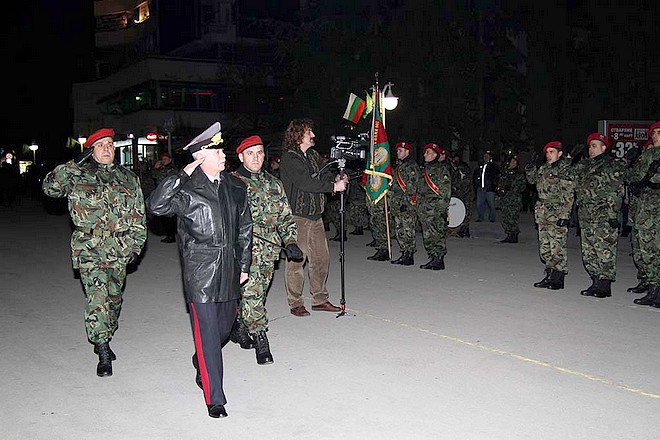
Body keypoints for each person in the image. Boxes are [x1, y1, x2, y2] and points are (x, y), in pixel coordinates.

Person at [146, 122, 252, 418]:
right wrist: (182, 174)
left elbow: (245, 228)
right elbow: (156, 206)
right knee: (208, 336)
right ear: (201, 157)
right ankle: (215, 398)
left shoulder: (235, 186)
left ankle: (201, 358)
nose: (223, 155)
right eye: (217, 152)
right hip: (201, 272)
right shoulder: (186, 189)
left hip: (229, 268)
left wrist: (244, 264)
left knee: (223, 329)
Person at [42, 128, 147, 377]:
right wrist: (73, 164)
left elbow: (139, 214)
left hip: (119, 248)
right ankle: (102, 349)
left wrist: (136, 246)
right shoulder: (77, 175)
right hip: (88, 247)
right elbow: (50, 188)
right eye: (100, 145)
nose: (106, 149)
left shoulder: (128, 178)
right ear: (91, 151)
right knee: (97, 299)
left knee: (114, 299)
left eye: (110, 144)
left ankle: (106, 332)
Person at [230, 135, 303, 364]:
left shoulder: (274, 184)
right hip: (243, 251)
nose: (256, 158)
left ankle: (240, 326)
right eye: (250, 153)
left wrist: (291, 242)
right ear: (241, 157)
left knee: (258, 293)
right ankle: (260, 337)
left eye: (260, 153)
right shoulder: (231, 183)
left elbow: (285, 217)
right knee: (252, 293)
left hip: (269, 252)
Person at [279, 118, 348, 316]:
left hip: (316, 216)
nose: (313, 135)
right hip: (298, 216)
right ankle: (295, 302)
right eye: (309, 132)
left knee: (320, 258)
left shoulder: (313, 155)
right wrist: (333, 187)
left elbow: (323, 175)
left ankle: (319, 299)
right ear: (299, 134)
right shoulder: (290, 158)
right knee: (296, 260)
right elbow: (305, 182)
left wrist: (336, 178)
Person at [572, 133, 626, 298]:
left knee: (604, 249)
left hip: (603, 215)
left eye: (594, 146)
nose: (591, 149)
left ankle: (604, 285)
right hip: (586, 215)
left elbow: (616, 191)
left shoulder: (612, 165)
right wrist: (570, 158)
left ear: (604, 147)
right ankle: (595, 281)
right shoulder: (584, 165)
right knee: (589, 250)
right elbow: (569, 175)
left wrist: (613, 215)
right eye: (590, 146)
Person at [525, 141, 574, 290]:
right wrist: (530, 167)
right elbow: (532, 180)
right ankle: (549, 273)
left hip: (557, 211)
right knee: (545, 246)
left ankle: (558, 277)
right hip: (543, 211)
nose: (548, 155)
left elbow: (568, 194)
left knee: (557, 245)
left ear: (560, 153)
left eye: (552, 152)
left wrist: (565, 215)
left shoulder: (564, 169)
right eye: (547, 152)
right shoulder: (544, 168)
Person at [628, 121, 660, 307]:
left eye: (658, 132)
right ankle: (653, 288)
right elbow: (636, 177)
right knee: (647, 248)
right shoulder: (647, 154)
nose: (655, 135)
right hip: (645, 206)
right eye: (653, 133)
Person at [417, 143, 452, 270]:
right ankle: (433, 257)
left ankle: (439, 259)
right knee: (427, 236)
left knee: (437, 235)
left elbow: (445, 192)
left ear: (435, 155)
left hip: (435, 210)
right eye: (425, 152)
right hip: (424, 210)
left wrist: (440, 209)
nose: (424, 154)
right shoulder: (424, 170)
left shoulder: (441, 170)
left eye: (428, 152)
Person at [389, 141, 419, 265]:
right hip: (397, 203)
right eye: (397, 150)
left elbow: (412, 187)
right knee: (399, 229)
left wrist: (406, 203)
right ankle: (404, 252)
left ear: (407, 152)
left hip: (406, 204)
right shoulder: (399, 166)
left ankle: (409, 254)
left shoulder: (411, 167)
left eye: (400, 150)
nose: (398, 152)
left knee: (408, 229)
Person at [497, 154, 527, 243]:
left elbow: (522, 187)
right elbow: (500, 183)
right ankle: (509, 234)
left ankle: (514, 234)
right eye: (512, 162)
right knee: (505, 218)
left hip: (514, 199)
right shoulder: (505, 173)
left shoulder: (519, 174)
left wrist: (512, 187)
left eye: (515, 162)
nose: (513, 163)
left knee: (512, 218)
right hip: (505, 198)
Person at [150, 151, 179, 243]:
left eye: (165, 159)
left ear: (170, 160)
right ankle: (169, 234)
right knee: (165, 217)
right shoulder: (164, 168)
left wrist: (156, 169)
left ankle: (171, 236)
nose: (163, 161)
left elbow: (160, 177)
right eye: (162, 159)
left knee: (169, 217)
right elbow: (154, 176)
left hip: (168, 195)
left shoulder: (171, 169)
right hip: (163, 194)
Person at [450, 151, 473, 238]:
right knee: (461, 212)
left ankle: (465, 230)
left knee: (466, 212)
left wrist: (459, 192)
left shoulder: (463, 167)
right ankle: (461, 229)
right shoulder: (454, 168)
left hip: (465, 194)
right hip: (459, 194)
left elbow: (465, 182)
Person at [473, 151, 500, 222]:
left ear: (490, 158)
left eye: (487, 156)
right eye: (484, 156)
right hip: (480, 188)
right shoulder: (480, 166)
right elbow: (475, 176)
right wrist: (476, 186)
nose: (485, 158)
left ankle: (492, 218)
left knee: (491, 204)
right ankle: (480, 217)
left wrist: (494, 184)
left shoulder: (493, 166)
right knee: (479, 204)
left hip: (489, 188)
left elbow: (497, 176)